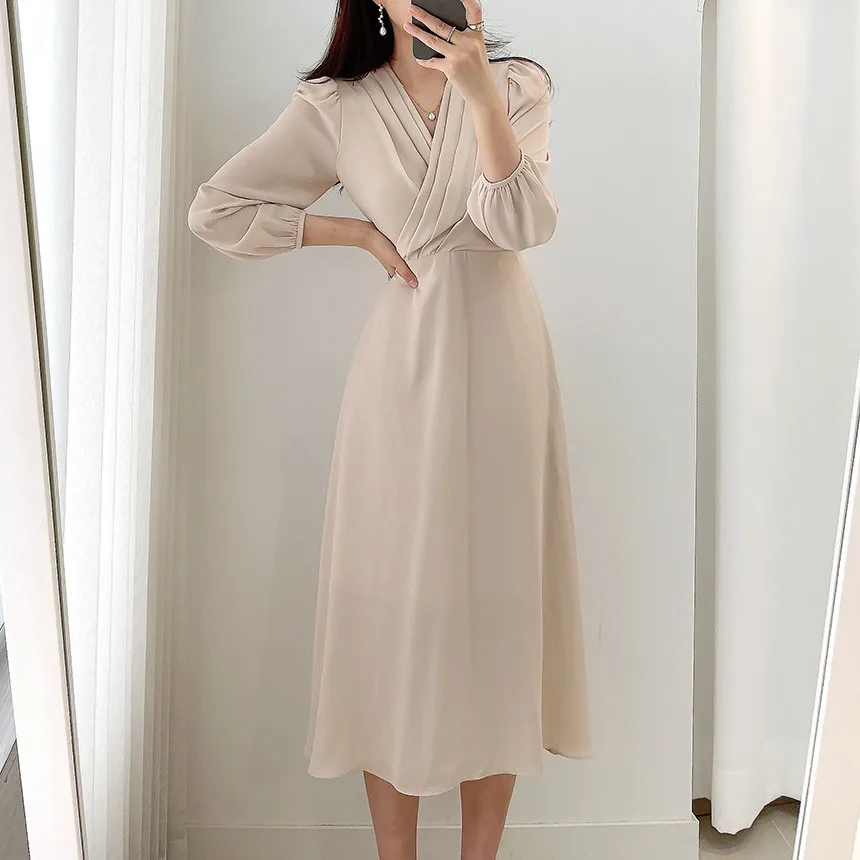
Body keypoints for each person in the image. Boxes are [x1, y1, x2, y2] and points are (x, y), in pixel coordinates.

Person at [188, 0, 593, 857]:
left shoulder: (517, 87)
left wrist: (478, 96)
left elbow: (523, 225)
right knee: (391, 617)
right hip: (402, 376)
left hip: (506, 370)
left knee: (499, 613)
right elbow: (216, 210)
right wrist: (355, 234)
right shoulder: (337, 106)